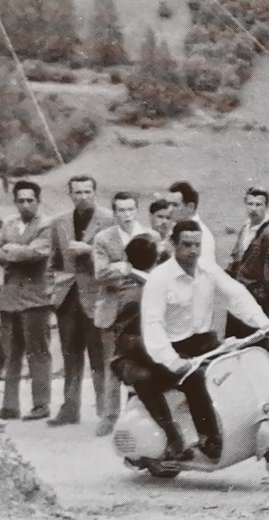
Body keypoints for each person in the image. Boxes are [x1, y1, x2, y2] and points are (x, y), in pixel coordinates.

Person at [140, 220, 269, 459]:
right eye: (186, 244)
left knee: (236, 368)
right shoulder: (159, 278)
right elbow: (153, 324)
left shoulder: (208, 269)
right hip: (169, 349)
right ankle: (208, 438)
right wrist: (171, 360)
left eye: (197, 244)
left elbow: (235, 295)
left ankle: (245, 426)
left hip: (202, 342)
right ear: (172, 244)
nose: (193, 250)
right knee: (197, 378)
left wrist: (262, 322)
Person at [108, 233, 187, 460]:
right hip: (131, 357)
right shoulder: (133, 293)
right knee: (146, 379)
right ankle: (171, 433)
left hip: (152, 350)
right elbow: (127, 339)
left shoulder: (152, 286)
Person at [47, 174, 112, 428]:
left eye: (87, 192)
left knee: (99, 355)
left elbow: (116, 257)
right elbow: (52, 260)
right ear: (70, 194)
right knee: (70, 354)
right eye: (77, 192)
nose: (83, 197)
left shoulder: (107, 220)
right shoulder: (60, 221)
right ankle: (69, 408)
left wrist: (91, 252)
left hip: (95, 295)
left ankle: (105, 411)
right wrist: (55, 286)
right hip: (67, 297)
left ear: (95, 192)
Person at [0, 180, 55, 422]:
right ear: (15, 202)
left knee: (37, 352)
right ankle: (10, 406)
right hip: (8, 299)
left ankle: (41, 404)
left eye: (30, 200)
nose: (25, 204)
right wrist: (14, 251)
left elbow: (37, 253)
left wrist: (10, 251)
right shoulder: (8, 223)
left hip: (34, 299)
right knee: (12, 353)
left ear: (38, 201)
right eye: (21, 200)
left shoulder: (47, 225)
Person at [90, 192, 148, 435]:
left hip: (142, 307)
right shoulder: (103, 238)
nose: (126, 215)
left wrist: (126, 270)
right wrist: (125, 268)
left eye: (130, 210)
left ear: (136, 210)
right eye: (121, 210)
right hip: (114, 307)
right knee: (111, 362)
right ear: (114, 213)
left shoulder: (148, 237)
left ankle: (137, 415)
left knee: (142, 361)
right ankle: (109, 416)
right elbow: (100, 272)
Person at [225, 186, 269, 340]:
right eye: (250, 204)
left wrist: (261, 299)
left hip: (256, 301)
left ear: (266, 206)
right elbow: (237, 259)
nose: (253, 209)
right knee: (234, 343)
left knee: (255, 345)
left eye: (258, 204)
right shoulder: (246, 228)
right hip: (238, 296)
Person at [165, 181, 216, 264]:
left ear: (190, 207)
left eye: (175, 205)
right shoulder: (174, 228)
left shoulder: (202, 235)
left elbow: (203, 270)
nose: (169, 210)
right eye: (168, 205)